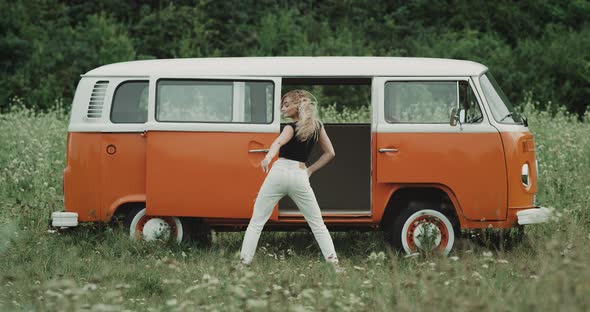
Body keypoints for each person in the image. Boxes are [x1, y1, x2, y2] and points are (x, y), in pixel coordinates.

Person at [239, 89, 340, 269]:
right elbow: (330, 153)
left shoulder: (289, 127)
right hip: (300, 175)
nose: (283, 109)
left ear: (298, 105)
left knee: (256, 222)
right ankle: (335, 266)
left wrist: (268, 157)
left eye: (286, 105)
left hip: (279, 173)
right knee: (318, 224)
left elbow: (278, 142)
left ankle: (243, 264)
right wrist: (310, 170)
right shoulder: (318, 127)